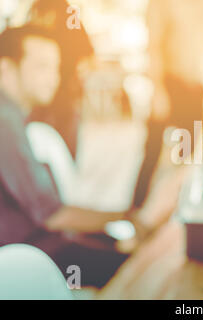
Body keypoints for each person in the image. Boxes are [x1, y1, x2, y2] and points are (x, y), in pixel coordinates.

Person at [0, 26, 133, 288]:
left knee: (116, 246)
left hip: (39, 247)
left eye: (56, 68)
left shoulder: (14, 118)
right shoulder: (5, 121)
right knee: (133, 266)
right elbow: (51, 216)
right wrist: (127, 217)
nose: (53, 78)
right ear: (5, 68)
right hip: (27, 260)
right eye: (41, 67)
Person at [133, 0, 203, 208]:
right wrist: (158, 91)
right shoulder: (161, 4)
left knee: (190, 156)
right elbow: (153, 47)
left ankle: (175, 212)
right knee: (152, 154)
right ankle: (136, 210)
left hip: (196, 89)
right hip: (169, 84)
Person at [27, 0, 95, 160]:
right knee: (38, 134)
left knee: (65, 138)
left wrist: (77, 80)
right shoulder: (36, 8)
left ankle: (63, 174)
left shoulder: (69, 13)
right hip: (40, 88)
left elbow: (86, 52)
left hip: (66, 90)